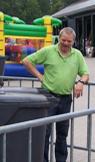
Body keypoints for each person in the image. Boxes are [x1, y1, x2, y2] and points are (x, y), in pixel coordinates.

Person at [23, 27, 90, 162]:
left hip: (66, 99)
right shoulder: (49, 51)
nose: (65, 43)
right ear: (59, 38)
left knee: (62, 134)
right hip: (48, 97)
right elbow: (26, 61)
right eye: (63, 40)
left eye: (69, 41)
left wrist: (81, 82)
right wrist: (39, 76)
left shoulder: (77, 55)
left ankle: (61, 160)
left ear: (74, 41)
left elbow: (85, 73)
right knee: (44, 133)